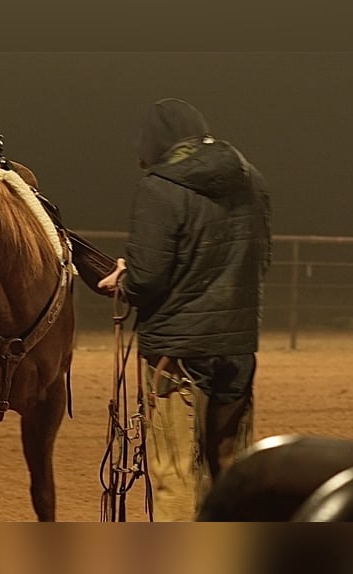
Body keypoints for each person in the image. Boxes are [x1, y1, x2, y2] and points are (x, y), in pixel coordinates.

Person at [98, 98, 272, 521]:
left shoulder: (158, 187)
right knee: (230, 471)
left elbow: (148, 279)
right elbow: (260, 260)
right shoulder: (252, 180)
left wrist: (124, 277)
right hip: (236, 349)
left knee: (176, 475)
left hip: (175, 355)